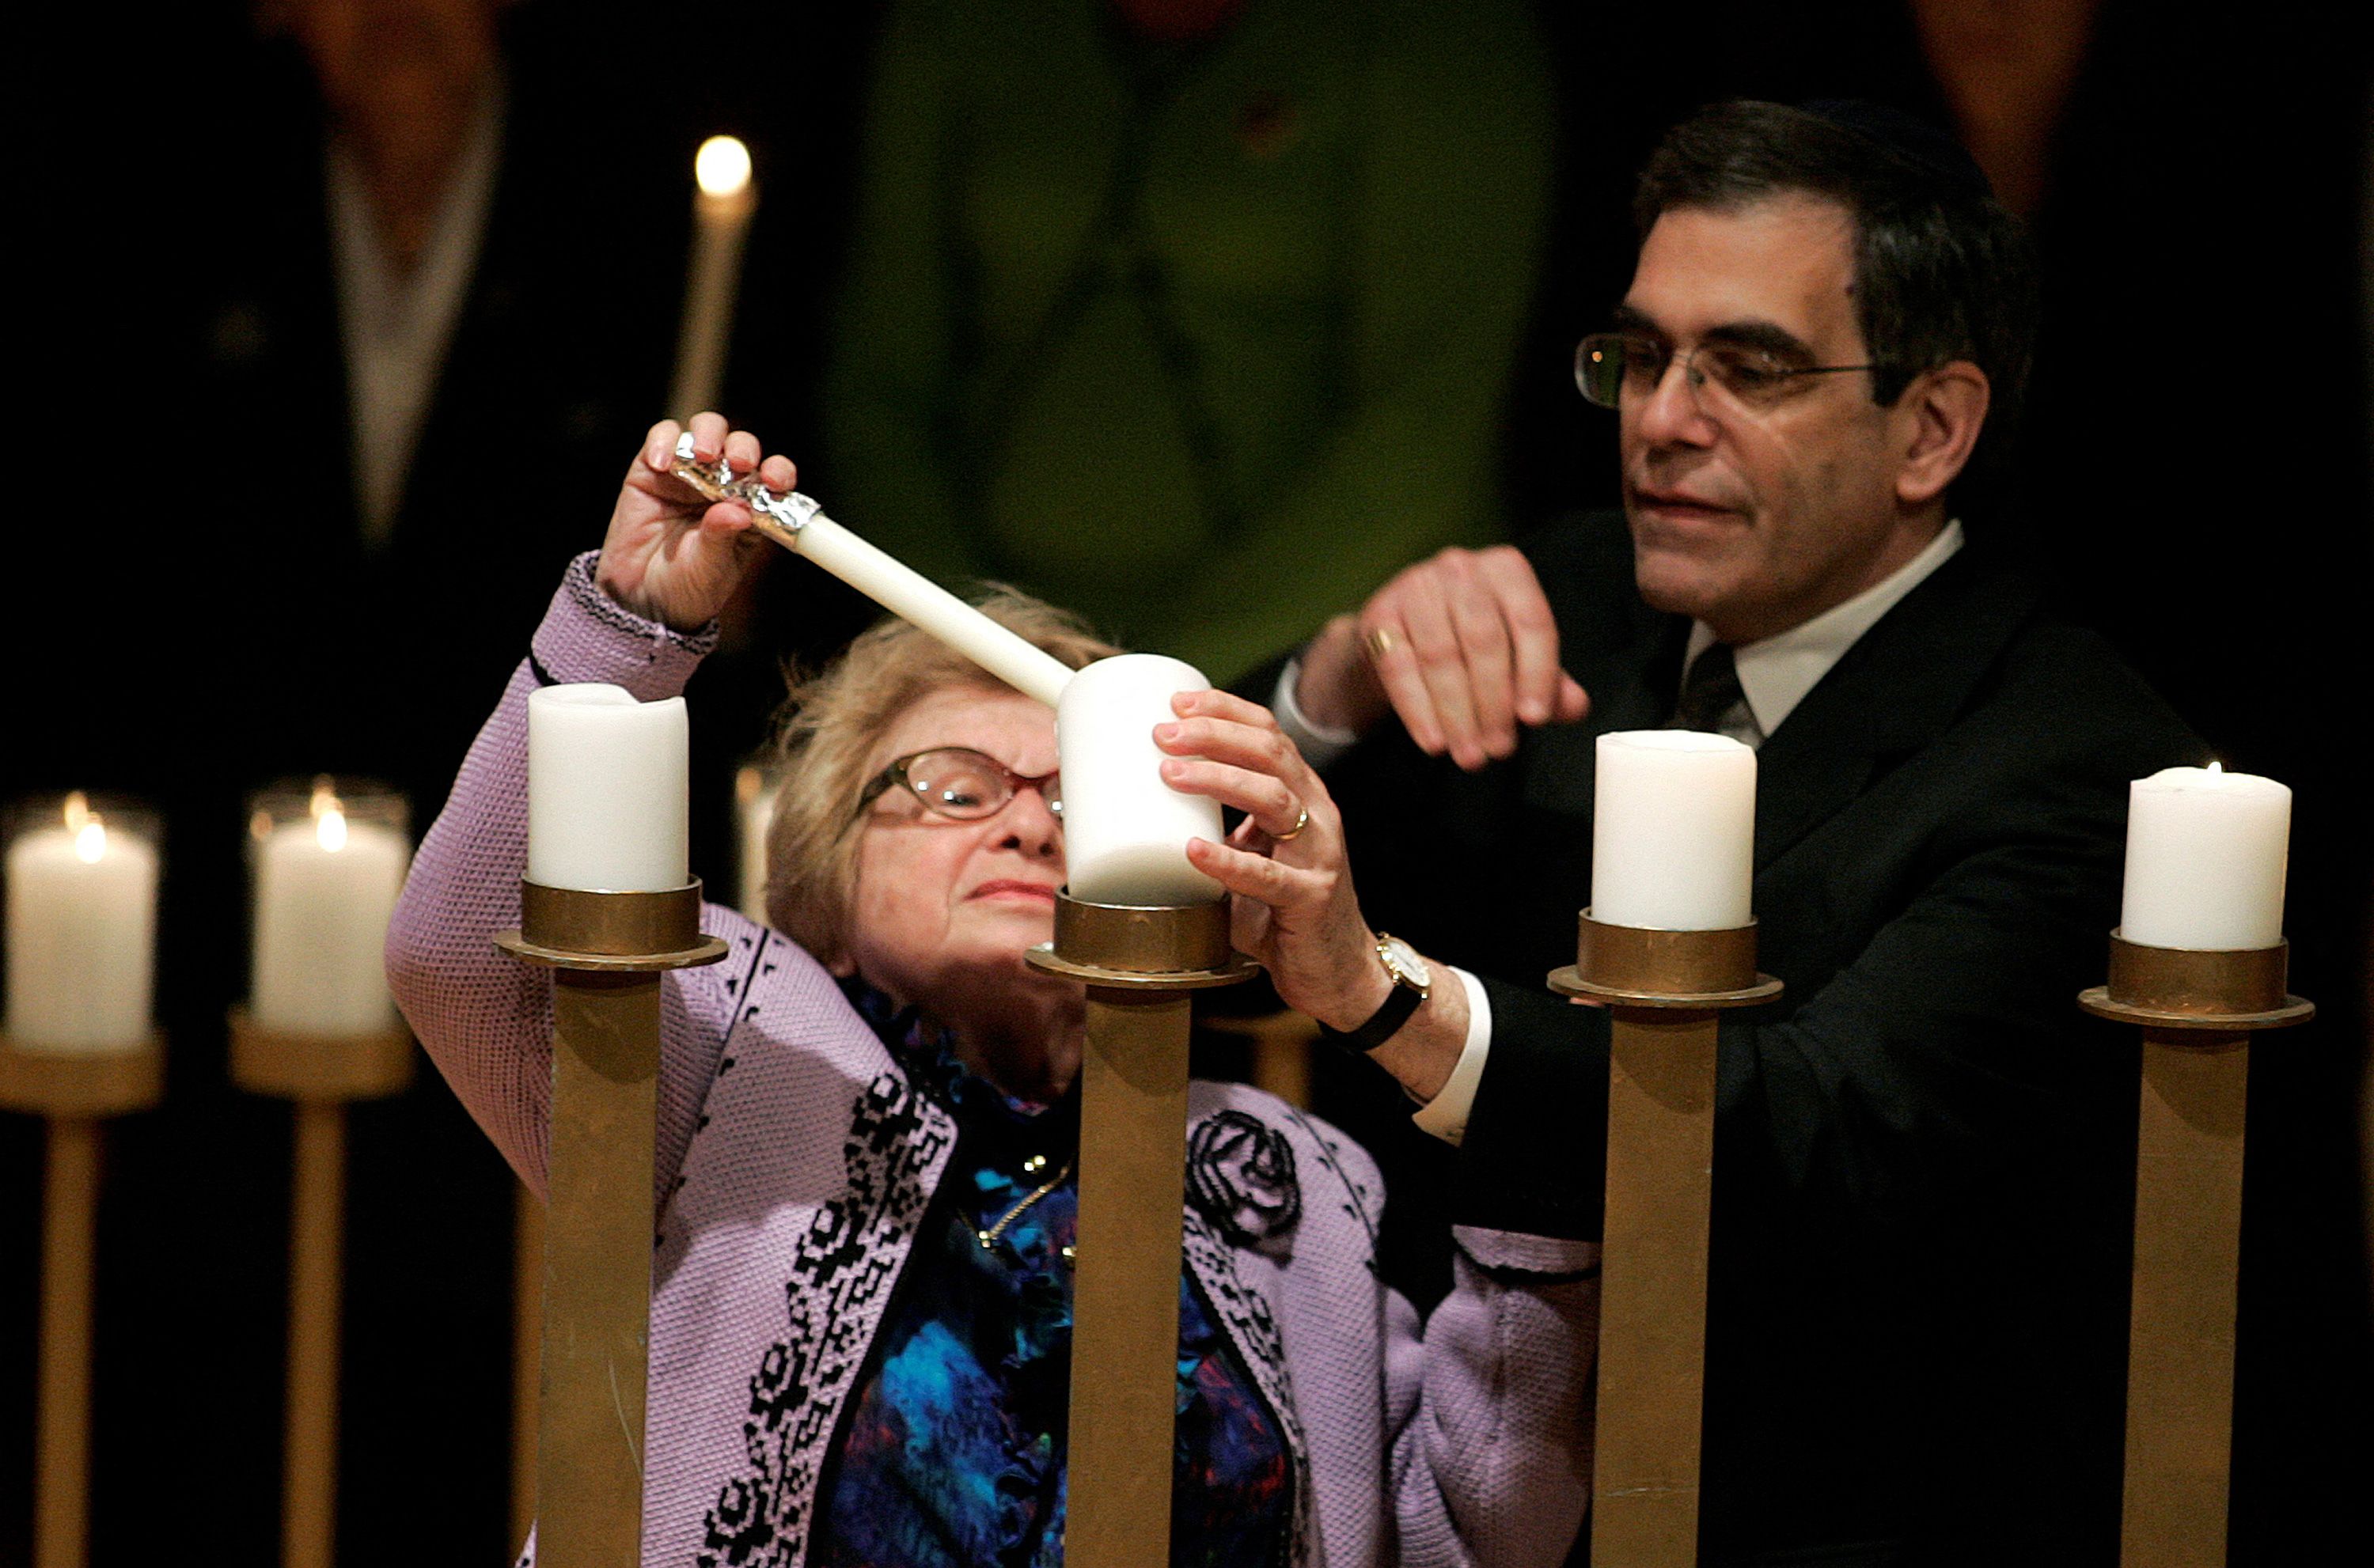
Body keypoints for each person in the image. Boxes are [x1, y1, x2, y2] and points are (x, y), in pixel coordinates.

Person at [1189, 102, 2209, 1562]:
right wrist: (1334, 683)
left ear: (1932, 427)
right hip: (1422, 1475)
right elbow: (1178, 879)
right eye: (1643, 357)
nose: (1661, 418)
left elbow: (1811, 1133)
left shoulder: (2076, 764)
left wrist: (1386, 999)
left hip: (1837, 1503)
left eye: (1749, 369)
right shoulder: (1555, 600)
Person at [385, 413, 1597, 1566]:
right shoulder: (737, 1044)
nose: (1026, 824)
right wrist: (632, 629)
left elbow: (1465, 1530)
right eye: (956, 787)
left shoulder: (1294, 1170)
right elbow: (459, 955)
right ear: (827, 888)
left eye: (1078, 796)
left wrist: (1525, 1149)